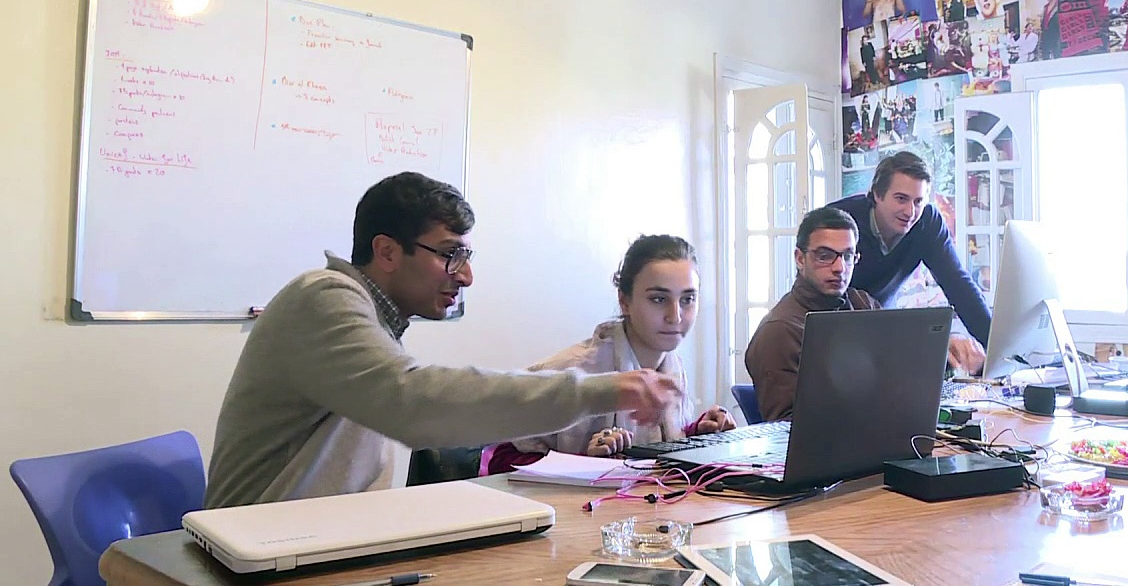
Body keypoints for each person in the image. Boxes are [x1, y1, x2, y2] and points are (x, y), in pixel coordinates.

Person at [204, 173, 682, 508]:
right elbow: (413, 401)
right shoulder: (324, 297)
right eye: (451, 255)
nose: (466, 276)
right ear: (387, 251)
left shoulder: (372, 318)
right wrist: (601, 390)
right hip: (256, 558)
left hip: (314, 544)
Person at [481, 236, 735, 472]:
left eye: (687, 299)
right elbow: (496, 460)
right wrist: (587, 463)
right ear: (624, 301)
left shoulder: (672, 365)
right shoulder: (574, 371)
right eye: (658, 299)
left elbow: (652, 451)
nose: (675, 316)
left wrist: (698, 433)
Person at [828, 152, 989, 373]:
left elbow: (959, 285)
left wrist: (996, 350)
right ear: (877, 194)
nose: (910, 212)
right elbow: (826, 299)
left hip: (884, 331)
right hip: (834, 332)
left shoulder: (927, 222)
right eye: (901, 199)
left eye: (918, 201)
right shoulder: (840, 221)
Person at [745, 208, 879, 421]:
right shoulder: (780, 330)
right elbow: (786, 426)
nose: (840, 267)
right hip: (830, 440)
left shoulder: (864, 304)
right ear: (800, 258)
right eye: (825, 256)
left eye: (848, 256)